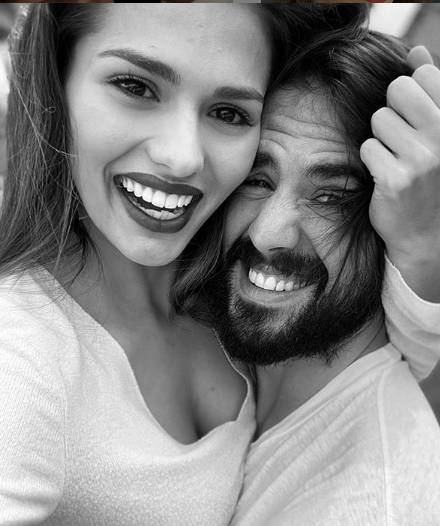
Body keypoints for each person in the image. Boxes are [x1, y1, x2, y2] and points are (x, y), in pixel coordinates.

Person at [0, 3, 438, 525]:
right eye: (135, 86)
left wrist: (421, 247)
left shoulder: (215, 270)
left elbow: (384, 349)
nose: (183, 157)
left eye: (229, 113)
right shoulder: (22, 348)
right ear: (56, 80)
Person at [182, 30, 440, 525]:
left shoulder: (372, 507)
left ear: (400, 222)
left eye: (331, 197)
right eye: (258, 180)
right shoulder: (194, 325)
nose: (267, 234)